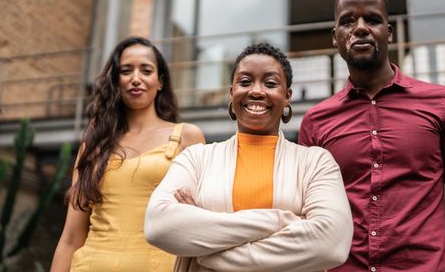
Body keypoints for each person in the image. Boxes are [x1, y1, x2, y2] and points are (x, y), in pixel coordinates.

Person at [298, 0, 445, 272]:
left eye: (372, 19)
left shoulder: (443, 104)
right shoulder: (316, 121)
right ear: (336, 38)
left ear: (388, 32)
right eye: (348, 21)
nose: (360, 27)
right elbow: (307, 217)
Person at [144, 43, 353, 272]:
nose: (256, 91)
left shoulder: (316, 163)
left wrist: (208, 245)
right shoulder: (196, 158)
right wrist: (281, 221)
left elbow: (331, 244)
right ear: (231, 92)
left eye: (270, 83)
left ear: (287, 96)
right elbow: (158, 225)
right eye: (245, 82)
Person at [50, 36, 206, 272]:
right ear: (116, 80)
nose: (136, 79)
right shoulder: (94, 145)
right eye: (126, 71)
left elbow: (203, 223)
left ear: (160, 81)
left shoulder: (188, 137)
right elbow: (71, 238)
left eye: (146, 70)